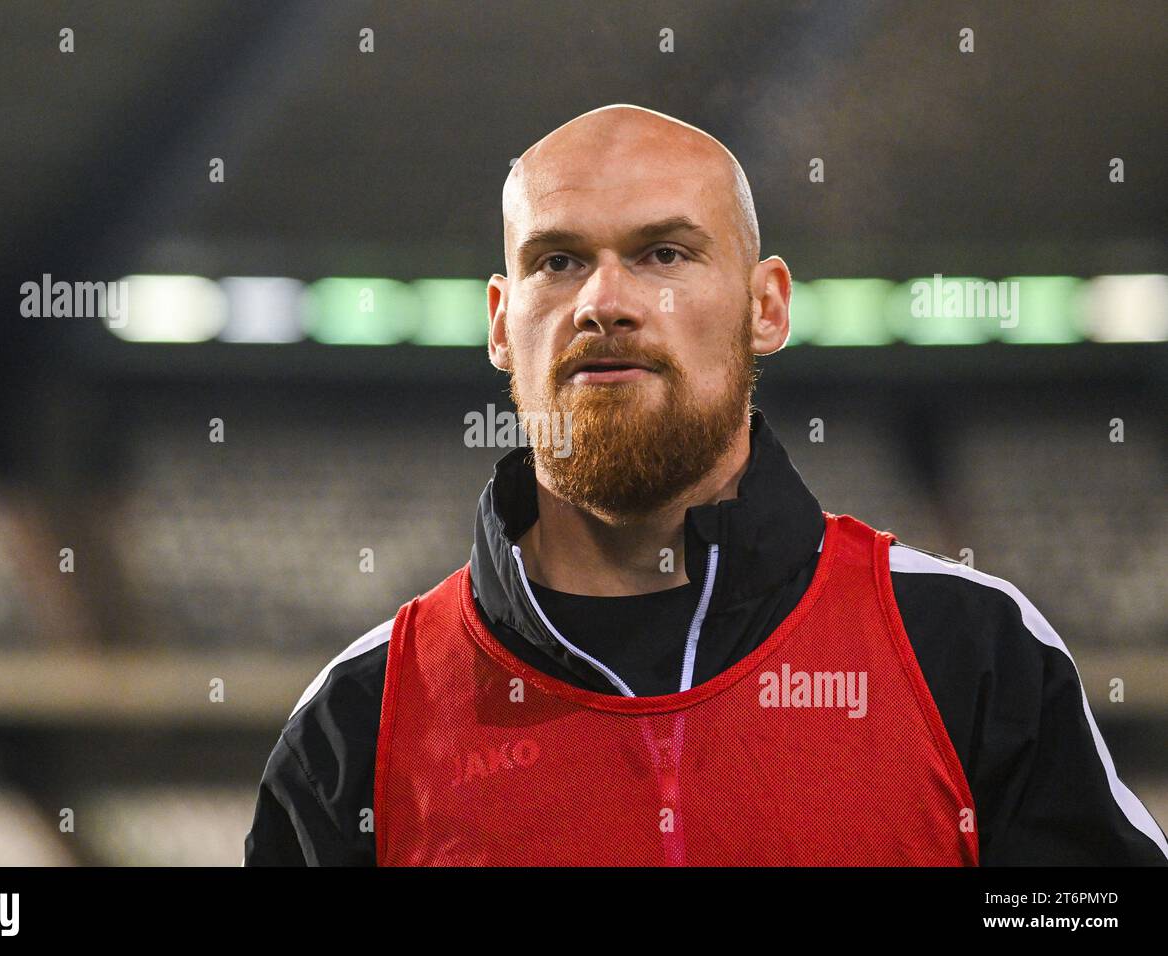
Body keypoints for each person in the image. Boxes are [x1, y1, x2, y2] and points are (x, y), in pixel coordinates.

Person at [244, 104, 1167, 865]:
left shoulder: (970, 649)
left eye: (664, 254)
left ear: (766, 307)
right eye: (558, 260)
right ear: (499, 320)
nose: (603, 301)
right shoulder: (360, 718)